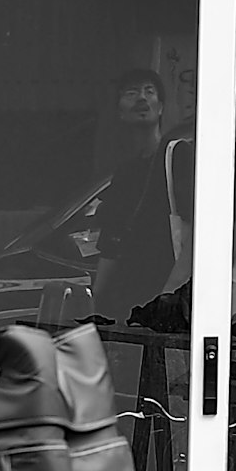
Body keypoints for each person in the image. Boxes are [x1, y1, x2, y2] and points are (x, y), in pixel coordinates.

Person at [85, 67, 191, 329]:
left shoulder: (178, 156)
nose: (142, 98)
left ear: (161, 107)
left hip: (171, 306)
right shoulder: (124, 173)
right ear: (120, 111)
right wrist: (95, 304)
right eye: (132, 93)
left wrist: (169, 294)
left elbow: (198, 233)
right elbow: (111, 243)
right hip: (132, 305)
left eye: (149, 91)